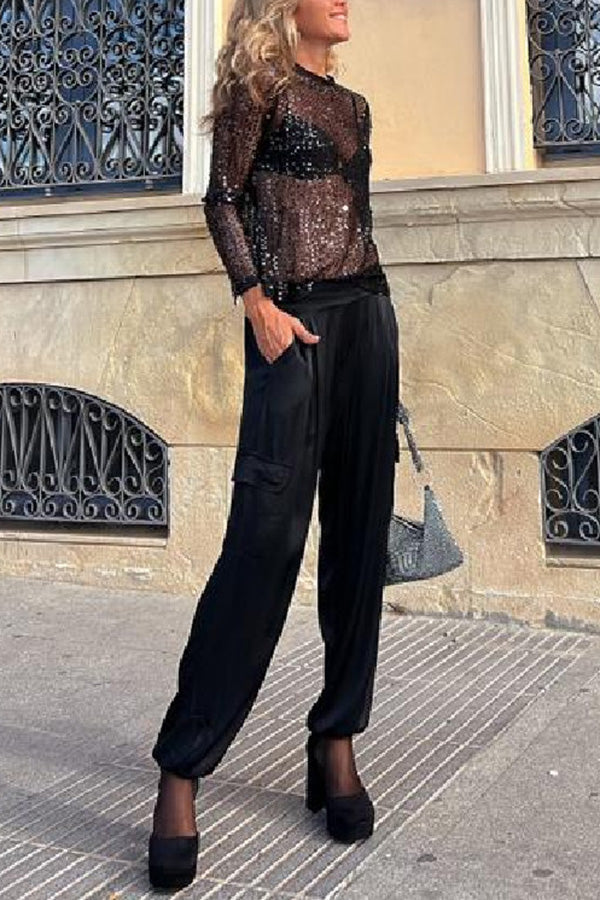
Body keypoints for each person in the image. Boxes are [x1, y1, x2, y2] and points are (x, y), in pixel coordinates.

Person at [147, 0, 400, 889]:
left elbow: (353, 218)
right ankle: (182, 766)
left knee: (359, 543)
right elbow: (223, 198)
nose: (344, 2)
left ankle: (336, 740)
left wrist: (378, 333)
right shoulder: (261, 86)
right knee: (261, 546)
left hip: (367, 318)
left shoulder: (354, 105)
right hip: (291, 331)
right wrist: (254, 300)